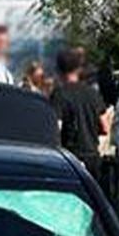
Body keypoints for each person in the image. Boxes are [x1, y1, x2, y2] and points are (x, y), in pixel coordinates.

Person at [50, 46, 112, 179]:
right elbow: (105, 128)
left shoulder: (59, 95)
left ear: (59, 70)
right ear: (79, 69)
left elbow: (56, 128)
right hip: (93, 157)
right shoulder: (93, 93)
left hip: (70, 158)